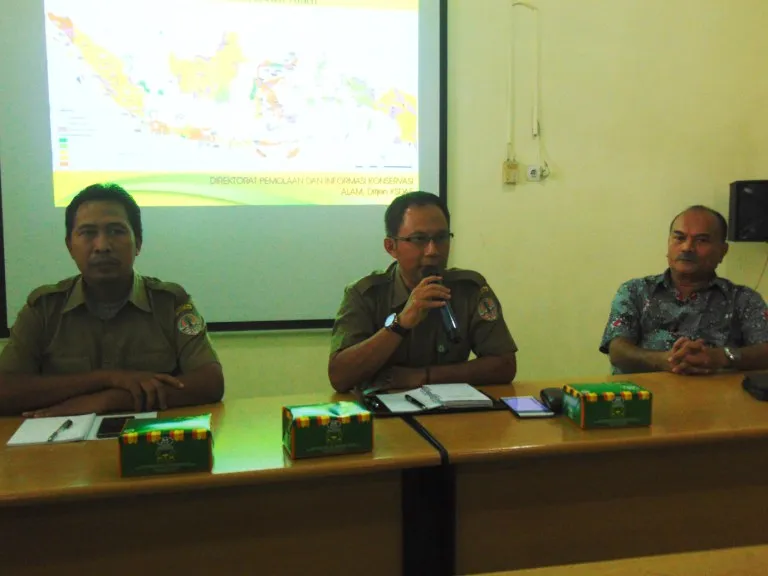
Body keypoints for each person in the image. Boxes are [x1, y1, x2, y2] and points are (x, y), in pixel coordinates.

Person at [0, 183, 224, 417]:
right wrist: (107, 378)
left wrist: (110, 400)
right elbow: (4, 391)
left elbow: (210, 382)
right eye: (88, 233)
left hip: (147, 436)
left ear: (138, 243)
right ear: (69, 246)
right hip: (63, 438)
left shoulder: (170, 302)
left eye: (116, 231)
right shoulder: (44, 308)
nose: (102, 246)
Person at [328, 191, 517, 392]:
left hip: (451, 408)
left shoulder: (469, 289)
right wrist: (399, 324)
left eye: (441, 237)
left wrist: (425, 376)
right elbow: (340, 378)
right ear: (391, 246)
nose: (433, 251)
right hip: (383, 408)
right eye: (419, 239)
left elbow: (505, 366)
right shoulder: (364, 294)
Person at [600, 205, 768, 375]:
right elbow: (618, 350)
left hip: (718, 391)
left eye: (702, 240)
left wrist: (722, 356)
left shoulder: (744, 299)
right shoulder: (635, 291)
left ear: (722, 251)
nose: (687, 247)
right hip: (644, 391)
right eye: (679, 238)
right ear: (668, 243)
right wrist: (665, 360)